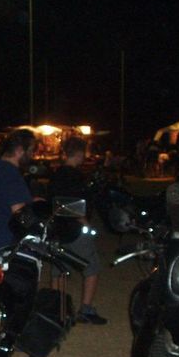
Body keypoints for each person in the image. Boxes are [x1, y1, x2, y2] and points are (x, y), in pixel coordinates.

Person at [48, 136, 107, 325]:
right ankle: (86, 309)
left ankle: (56, 309)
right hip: (75, 229)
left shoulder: (56, 175)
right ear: (79, 153)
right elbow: (71, 203)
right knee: (91, 267)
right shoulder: (75, 176)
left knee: (58, 269)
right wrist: (85, 222)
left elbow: (53, 202)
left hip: (58, 229)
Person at [0, 128, 36, 250]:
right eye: (31, 150)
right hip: (10, 242)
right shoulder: (10, 173)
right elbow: (20, 213)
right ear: (19, 151)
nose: (32, 155)